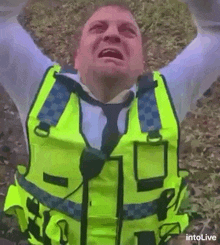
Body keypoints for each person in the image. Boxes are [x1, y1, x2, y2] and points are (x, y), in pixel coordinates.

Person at [1, 0, 220, 244]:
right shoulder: (40, 90)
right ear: (77, 57)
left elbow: (216, 32)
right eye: (98, 28)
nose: (113, 35)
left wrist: (195, 238)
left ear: (141, 62)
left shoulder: (164, 98)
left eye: (128, 31)